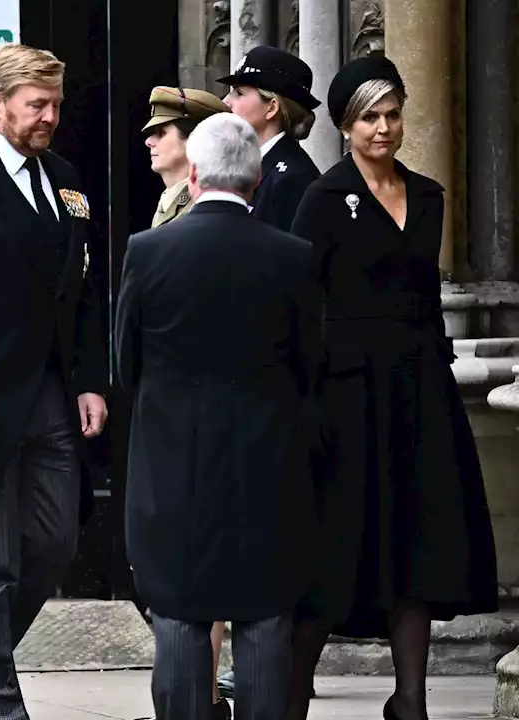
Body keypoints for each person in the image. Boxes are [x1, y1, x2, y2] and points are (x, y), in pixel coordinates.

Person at [286, 55, 498, 720]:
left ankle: (411, 700)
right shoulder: (321, 199)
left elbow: (427, 298)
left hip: (421, 390)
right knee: (336, 547)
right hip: (347, 398)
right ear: (346, 126)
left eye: (392, 114)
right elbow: (298, 300)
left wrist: (436, 368)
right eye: (369, 118)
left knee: (422, 543)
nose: (384, 129)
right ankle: (291, 697)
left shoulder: (429, 195)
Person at [114, 112, 319, 720]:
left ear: (195, 175)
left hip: (173, 466)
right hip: (268, 464)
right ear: (256, 180)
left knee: (179, 612)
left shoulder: (148, 251)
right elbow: (312, 364)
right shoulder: (294, 256)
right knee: (264, 615)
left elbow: (126, 364)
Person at [0, 43, 110, 720]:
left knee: (56, 541)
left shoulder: (63, 177)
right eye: (38, 104)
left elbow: (84, 291)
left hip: (53, 396)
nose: (51, 116)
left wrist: (91, 381)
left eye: (56, 104)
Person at [140, 85, 235, 720]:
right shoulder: (168, 207)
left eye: (163, 131)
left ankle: (205, 686)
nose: (150, 139)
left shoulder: (194, 212)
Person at [218, 46, 321, 232]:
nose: (226, 101)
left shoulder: (293, 179)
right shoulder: (252, 164)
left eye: (239, 93)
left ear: (272, 108)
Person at [142, 86, 229, 228]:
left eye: (161, 133)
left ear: (194, 139)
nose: (149, 142)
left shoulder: (203, 205)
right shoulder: (171, 199)